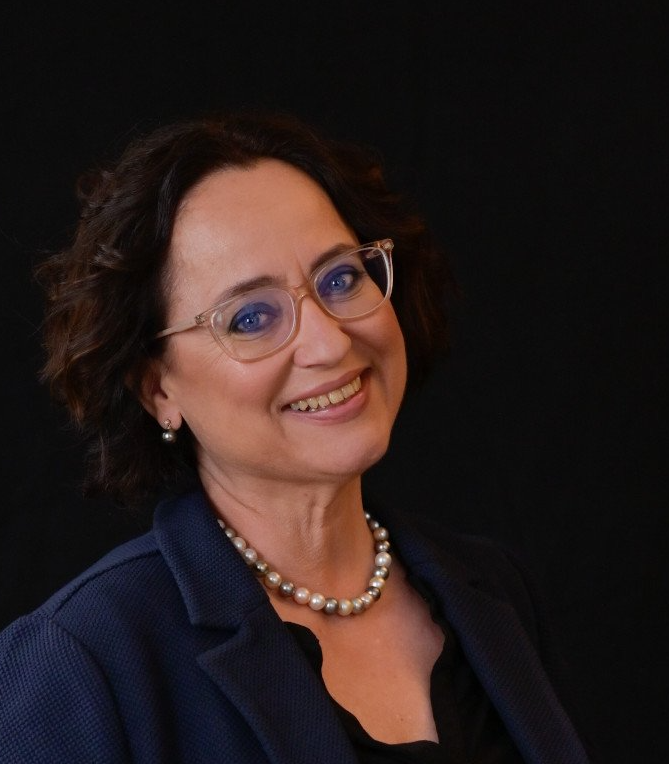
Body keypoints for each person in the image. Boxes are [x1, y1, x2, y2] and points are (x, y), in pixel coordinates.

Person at [0, 111, 592, 763]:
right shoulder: (84, 662)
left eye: (341, 278)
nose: (330, 342)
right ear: (157, 390)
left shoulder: (495, 593)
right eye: (251, 317)